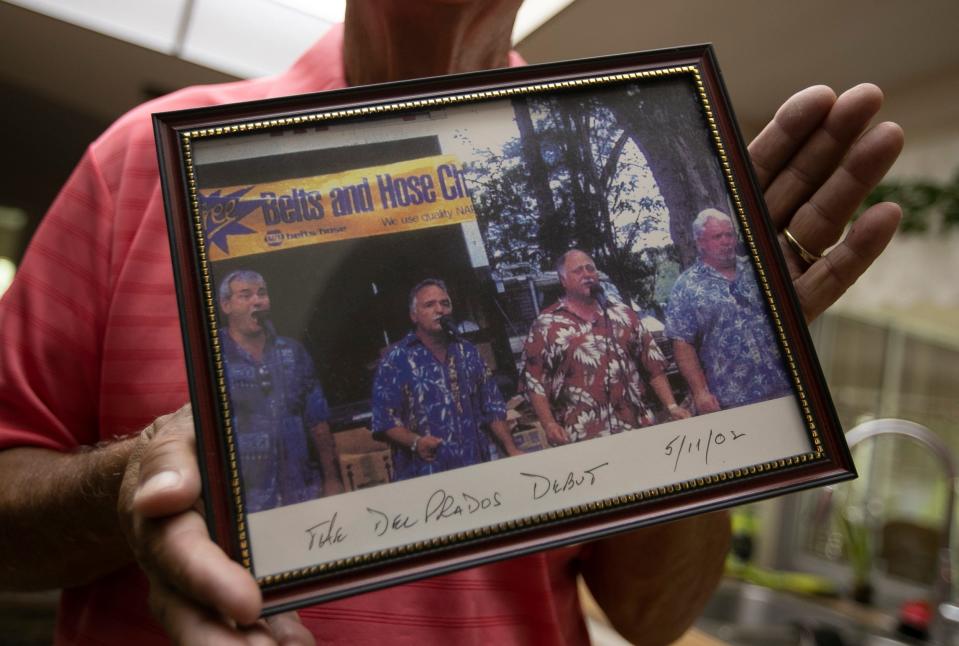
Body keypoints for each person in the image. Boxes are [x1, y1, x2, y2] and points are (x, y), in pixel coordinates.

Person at [0, 0, 904, 644]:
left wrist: (718, 435)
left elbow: (653, 616)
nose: (440, 305)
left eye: (444, 298)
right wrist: (133, 485)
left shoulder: (561, 312)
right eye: (429, 298)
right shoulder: (138, 162)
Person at [523, 249, 690, 445]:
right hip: (582, 436)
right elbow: (533, 382)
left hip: (638, 428)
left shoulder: (624, 315)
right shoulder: (546, 325)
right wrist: (549, 424)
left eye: (590, 269)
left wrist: (671, 406)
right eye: (578, 271)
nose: (587, 274)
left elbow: (653, 364)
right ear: (563, 280)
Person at [372, 279, 522, 480]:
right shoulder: (395, 360)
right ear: (413, 315)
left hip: (475, 469)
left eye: (445, 303)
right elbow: (384, 420)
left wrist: (512, 450)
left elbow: (492, 408)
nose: (439, 309)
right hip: (425, 474)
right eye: (429, 304)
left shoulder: (467, 352)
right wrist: (416, 442)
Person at [218, 269, 342, 511]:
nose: (257, 300)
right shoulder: (215, 357)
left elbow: (318, 423)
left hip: (304, 493)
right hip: (249, 505)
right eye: (245, 295)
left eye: (261, 293)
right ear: (226, 305)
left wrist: (332, 480)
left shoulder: (293, 352)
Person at [665, 209, 793, 413]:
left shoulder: (756, 269)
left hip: (786, 385)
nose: (726, 241)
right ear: (700, 243)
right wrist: (700, 392)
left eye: (729, 234)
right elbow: (682, 343)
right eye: (717, 236)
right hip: (733, 399)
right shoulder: (686, 287)